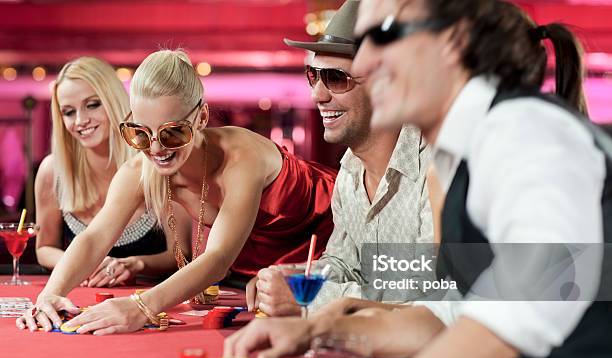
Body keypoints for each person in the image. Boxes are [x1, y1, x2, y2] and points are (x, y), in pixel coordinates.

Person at [225, 1, 612, 358]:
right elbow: (448, 314)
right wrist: (317, 331)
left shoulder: (526, 134)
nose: (366, 62)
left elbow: (526, 309)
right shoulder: (455, 159)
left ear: (451, 44)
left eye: (381, 37)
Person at [16, 50, 336, 335]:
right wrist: (50, 294)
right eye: (141, 133)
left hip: (338, 235)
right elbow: (94, 238)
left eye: (172, 132)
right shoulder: (139, 171)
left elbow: (218, 258)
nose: (156, 149)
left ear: (201, 118)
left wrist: (141, 307)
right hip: (270, 270)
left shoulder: (241, 156)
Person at [248, 0, 434, 318]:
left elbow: (428, 300)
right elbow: (344, 264)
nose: (317, 95)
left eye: (335, 77)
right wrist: (291, 277)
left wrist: (307, 298)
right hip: (367, 351)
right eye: (313, 76)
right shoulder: (348, 173)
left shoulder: (437, 167)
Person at [35, 56, 186, 288]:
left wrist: (136, 264)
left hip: (149, 301)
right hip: (81, 299)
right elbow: (44, 248)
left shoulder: (156, 160)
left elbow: (181, 253)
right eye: (68, 112)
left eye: (92, 104)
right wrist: (82, 262)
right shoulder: (52, 171)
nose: (80, 120)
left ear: (113, 101)